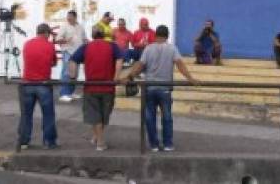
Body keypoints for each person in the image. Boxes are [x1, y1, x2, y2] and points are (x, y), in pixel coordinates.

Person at [123, 24, 198, 152]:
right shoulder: (172, 49)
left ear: (155, 35)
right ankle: (168, 144)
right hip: (165, 89)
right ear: (167, 36)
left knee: (150, 118)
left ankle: (154, 145)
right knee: (167, 117)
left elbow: (140, 66)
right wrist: (190, 79)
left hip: (150, 88)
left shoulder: (148, 48)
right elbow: (180, 65)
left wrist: (129, 76)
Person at [69, 25, 124, 151]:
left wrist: (73, 77)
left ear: (93, 35)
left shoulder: (86, 47)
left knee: (94, 115)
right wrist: (116, 76)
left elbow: (73, 61)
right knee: (104, 115)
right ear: (104, 34)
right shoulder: (112, 46)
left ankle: (97, 138)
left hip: (91, 86)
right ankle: (99, 140)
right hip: (108, 86)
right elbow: (120, 60)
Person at [19, 23, 59, 149]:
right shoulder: (50, 45)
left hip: (26, 83)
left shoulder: (27, 44)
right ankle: (48, 142)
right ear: (47, 33)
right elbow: (53, 63)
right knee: (48, 114)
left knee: (26, 114)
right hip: (43, 84)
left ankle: (24, 141)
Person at [55, 10, 86, 102]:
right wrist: (65, 40)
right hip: (68, 52)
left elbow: (84, 37)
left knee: (74, 74)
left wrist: (86, 41)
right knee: (66, 72)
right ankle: (63, 94)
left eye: (70, 17)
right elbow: (57, 40)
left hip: (78, 53)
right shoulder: (64, 27)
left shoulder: (80, 27)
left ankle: (71, 92)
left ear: (75, 17)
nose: (68, 18)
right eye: (67, 17)